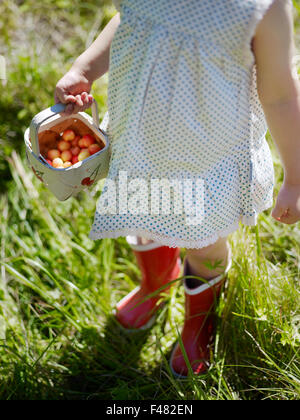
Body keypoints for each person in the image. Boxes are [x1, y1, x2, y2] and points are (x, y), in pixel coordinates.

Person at [55, 0, 300, 378]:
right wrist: (84, 68)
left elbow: (281, 94)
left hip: (209, 162)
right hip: (140, 142)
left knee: (205, 245)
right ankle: (158, 280)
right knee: (141, 214)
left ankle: (198, 323)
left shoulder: (260, 8)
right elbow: (130, 20)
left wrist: (296, 178)